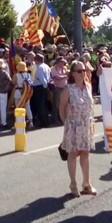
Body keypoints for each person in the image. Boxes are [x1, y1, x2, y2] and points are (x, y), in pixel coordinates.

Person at [59, 60, 97, 197]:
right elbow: (61, 107)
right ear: (73, 73)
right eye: (79, 71)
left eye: (84, 70)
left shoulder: (88, 86)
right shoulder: (68, 89)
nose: (83, 73)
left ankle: (86, 183)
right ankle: (73, 183)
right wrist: (66, 123)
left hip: (86, 125)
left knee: (85, 154)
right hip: (73, 126)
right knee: (73, 154)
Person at [31, 54, 51, 128]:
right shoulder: (46, 66)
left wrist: (44, 86)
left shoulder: (39, 68)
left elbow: (41, 78)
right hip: (43, 87)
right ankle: (46, 121)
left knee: (40, 105)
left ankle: (43, 122)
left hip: (40, 87)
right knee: (44, 104)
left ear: (36, 60)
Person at [13, 62, 34, 129]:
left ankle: (19, 122)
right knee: (27, 107)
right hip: (26, 93)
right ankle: (31, 122)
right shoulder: (28, 75)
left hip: (18, 92)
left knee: (18, 107)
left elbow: (13, 83)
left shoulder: (16, 75)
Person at [50, 57, 68, 125]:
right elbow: (57, 77)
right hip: (57, 88)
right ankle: (54, 119)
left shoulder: (63, 68)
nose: (63, 63)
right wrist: (65, 76)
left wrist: (65, 75)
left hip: (64, 87)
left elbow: (67, 74)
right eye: (61, 62)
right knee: (56, 104)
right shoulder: (53, 69)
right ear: (58, 62)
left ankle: (62, 118)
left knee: (63, 104)